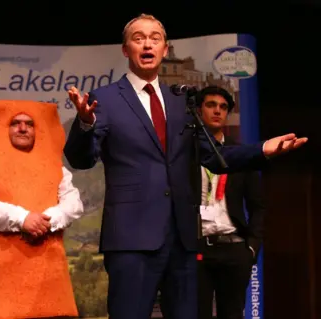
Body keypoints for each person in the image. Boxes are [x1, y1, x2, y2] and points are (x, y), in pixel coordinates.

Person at [64, 13, 307, 319]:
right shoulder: (106, 99)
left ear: (166, 49)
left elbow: (214, 158)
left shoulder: (181, 102)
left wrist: (263, 150)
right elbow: (81, 159)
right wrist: (85, 124)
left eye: (155, 38)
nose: (147, 43)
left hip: (182, 239)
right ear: (126, 50)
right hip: (132, 238)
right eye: (138, 38)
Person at [0, 99, 85, 319]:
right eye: (15, 123)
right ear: (4, 129)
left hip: (49, 270)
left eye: (29, 123)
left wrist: (46, 220)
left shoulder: (56, 167)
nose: (22, 128)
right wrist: (23, 218)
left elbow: (73, 204)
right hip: (6, 271)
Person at [195, 86, 265, 319]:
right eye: (211, 105)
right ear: (198, 110)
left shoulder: (240, 153)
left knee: (233, 314)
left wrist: (251, 248)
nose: (217, 111)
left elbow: (258, 205)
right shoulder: (185, 153)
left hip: (235, 248)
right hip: (198, 247)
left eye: (223, 107)